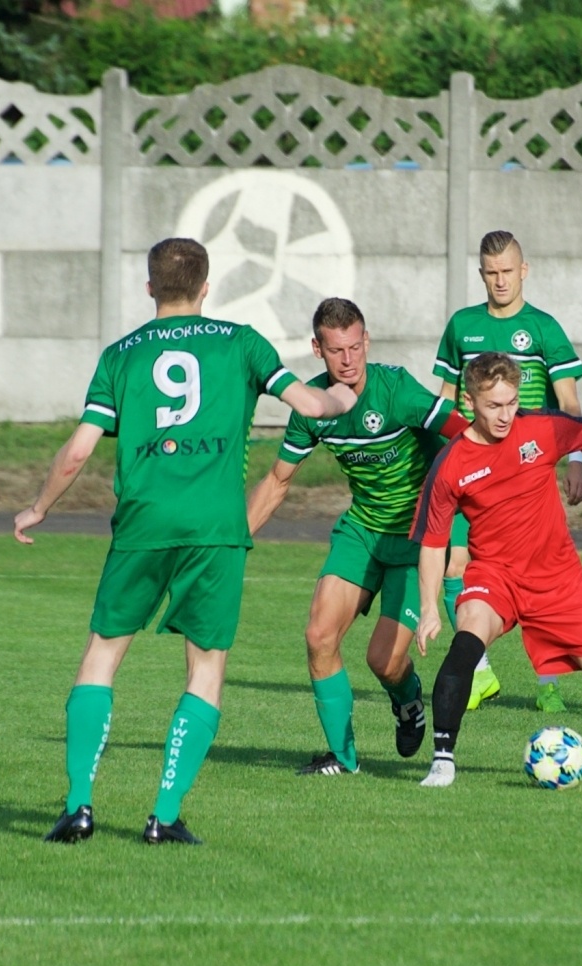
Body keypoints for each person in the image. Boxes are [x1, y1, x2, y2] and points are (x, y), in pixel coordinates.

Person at [18, 237, 357, 846]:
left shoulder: (120, 356)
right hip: (214, 528)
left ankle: (77, 806)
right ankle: (164, 815)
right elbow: (310, 403)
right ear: (207, 286)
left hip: (143, 523)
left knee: (102, 653)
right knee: (205, 666)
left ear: (150, 288)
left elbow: (77, 452)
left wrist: (39, 506)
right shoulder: (240, 342)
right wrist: (341, 395)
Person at [411, 352, 582, 788]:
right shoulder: (451, 464)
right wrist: (429, 608)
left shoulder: (539, 429)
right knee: (466, 641)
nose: (505, 415)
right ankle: (443, 759)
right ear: (469, 402)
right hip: (495, 575)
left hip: (559, 583)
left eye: (511, 402)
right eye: (493, 405)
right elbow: (431, 542)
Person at [247, 298, 462, 776]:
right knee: (319, 635)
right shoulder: (313, 405)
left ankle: (408, 701)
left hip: (415, 539)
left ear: (367, 341)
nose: (348, 359)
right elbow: (278, 481)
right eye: (336, 349)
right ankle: (342, 758)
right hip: (363, 530)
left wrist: (461, 530)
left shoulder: (397, 391)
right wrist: (234, 542)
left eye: (355, 346)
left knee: (383, 662)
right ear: (317, 349)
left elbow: (465, 441)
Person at [433, 230, 582, 715]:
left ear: (524, 270)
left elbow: (568, 404)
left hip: (525, 474)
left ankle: (548, 683)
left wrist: (576, 461)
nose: (499, 281)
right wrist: (439, 460)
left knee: (538, 574)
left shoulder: (543, 329)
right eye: (490, 273)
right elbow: (441, 398)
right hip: (471, 469)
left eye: (507, 271)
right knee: (453, 566)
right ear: (481, 274)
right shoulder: (462, 326)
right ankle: (478, 675)